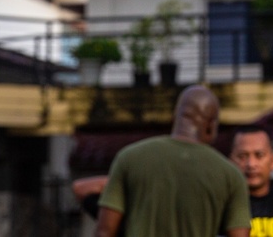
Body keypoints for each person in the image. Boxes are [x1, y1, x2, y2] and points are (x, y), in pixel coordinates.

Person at [95, 85, 251, 237]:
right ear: (211, 124)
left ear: (175, 116)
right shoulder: (231, 175)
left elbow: (105, 231)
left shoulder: (129, 157)